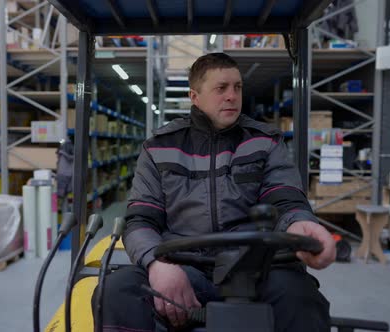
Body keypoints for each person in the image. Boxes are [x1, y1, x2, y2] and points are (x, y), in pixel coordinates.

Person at [93, 53, 336, 332]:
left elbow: (284, 198)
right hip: (185, 267)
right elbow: (140, 220)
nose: (232, 96)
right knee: (116, 291)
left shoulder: (265, 143)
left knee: (301, 296)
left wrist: (300, 224)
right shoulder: (158, 148)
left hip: (253, 269)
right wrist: (156, 264)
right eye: (221, 88)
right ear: (194, 96)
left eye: (237, 87)